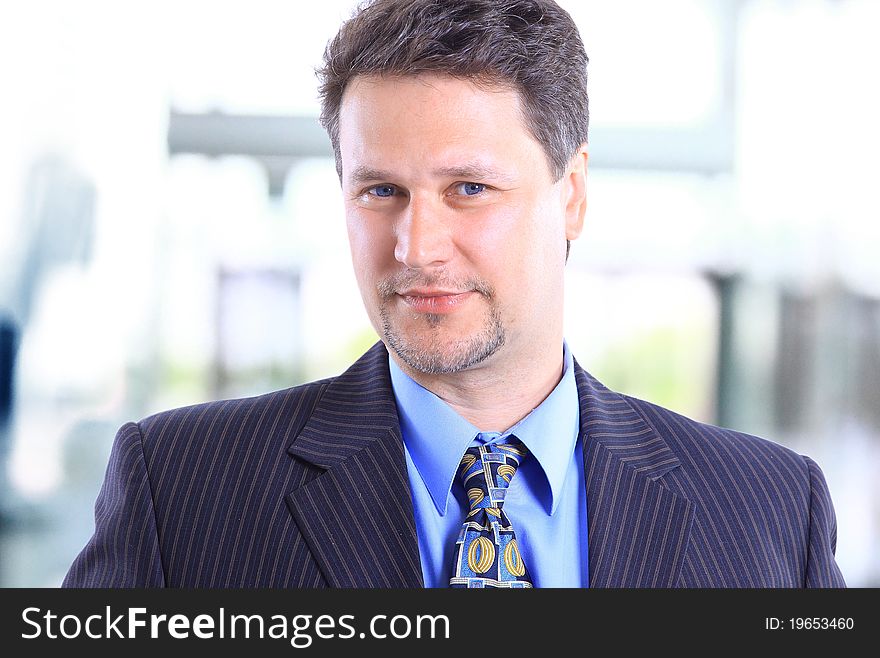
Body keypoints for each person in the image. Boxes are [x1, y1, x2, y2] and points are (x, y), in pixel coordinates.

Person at [63, 0, 845, 588]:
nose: (416, 247)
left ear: (570, 194)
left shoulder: (771, 510)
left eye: (469, 188)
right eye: (379, 191)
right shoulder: (179, 489)